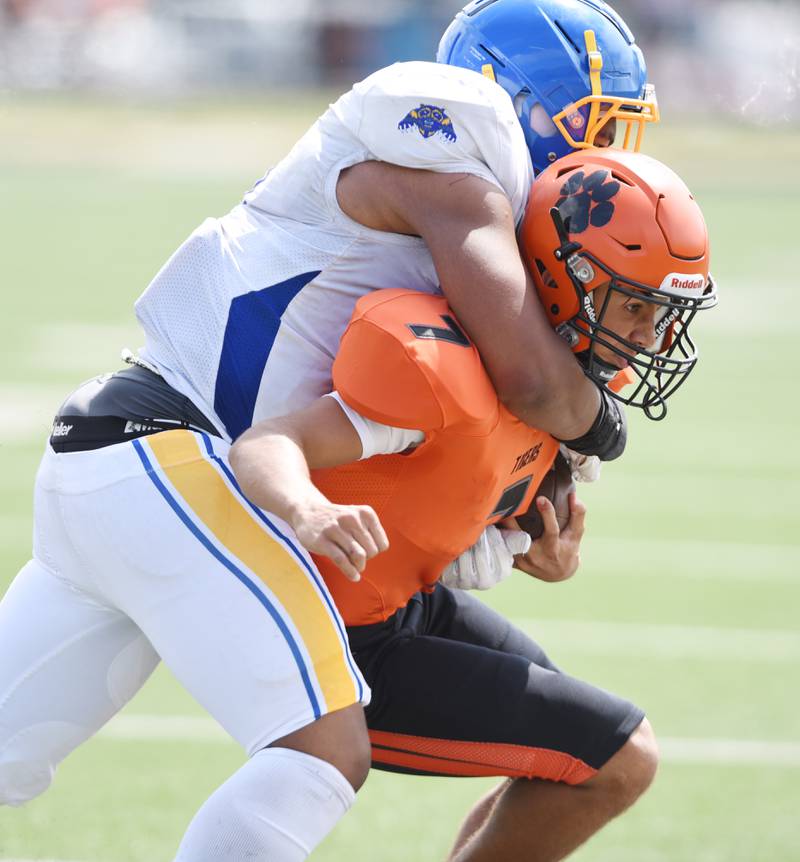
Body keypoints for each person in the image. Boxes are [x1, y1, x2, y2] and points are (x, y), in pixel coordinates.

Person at [0, 2, 657, 859]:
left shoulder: (467, 279)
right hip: (171, 454)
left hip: (125, 458)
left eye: (619, 139)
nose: (593, 167)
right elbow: (536, 382)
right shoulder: (452, 144)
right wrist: (601, 427)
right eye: (582, 131)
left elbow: (436, 417)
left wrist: (501, 517)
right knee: (320, 751)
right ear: (502, 95)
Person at [229, 149, 718, 862]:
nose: (649, 337)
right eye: (636, 304)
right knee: (621, 758)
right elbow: (268, 443)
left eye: (663, 312)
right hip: (330, 636)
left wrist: (534, 555)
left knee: (563, 752)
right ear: (566, 278)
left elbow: (450, 495)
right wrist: (307, 509)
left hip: (399, 603)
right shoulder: (443, 367)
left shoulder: (559, 384)